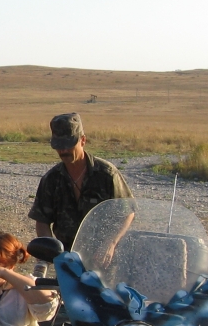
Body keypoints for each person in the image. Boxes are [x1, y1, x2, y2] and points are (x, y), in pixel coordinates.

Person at [28, 112, 133, 262]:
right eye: (59, 146)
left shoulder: (106, 174)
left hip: (103, 261)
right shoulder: (51, 179)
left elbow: (128, 212)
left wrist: (110, 243)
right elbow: (42, 220)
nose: (64, 151)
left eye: (69, 145)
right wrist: (53, 253)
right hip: (68, 261)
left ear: (83, 140)